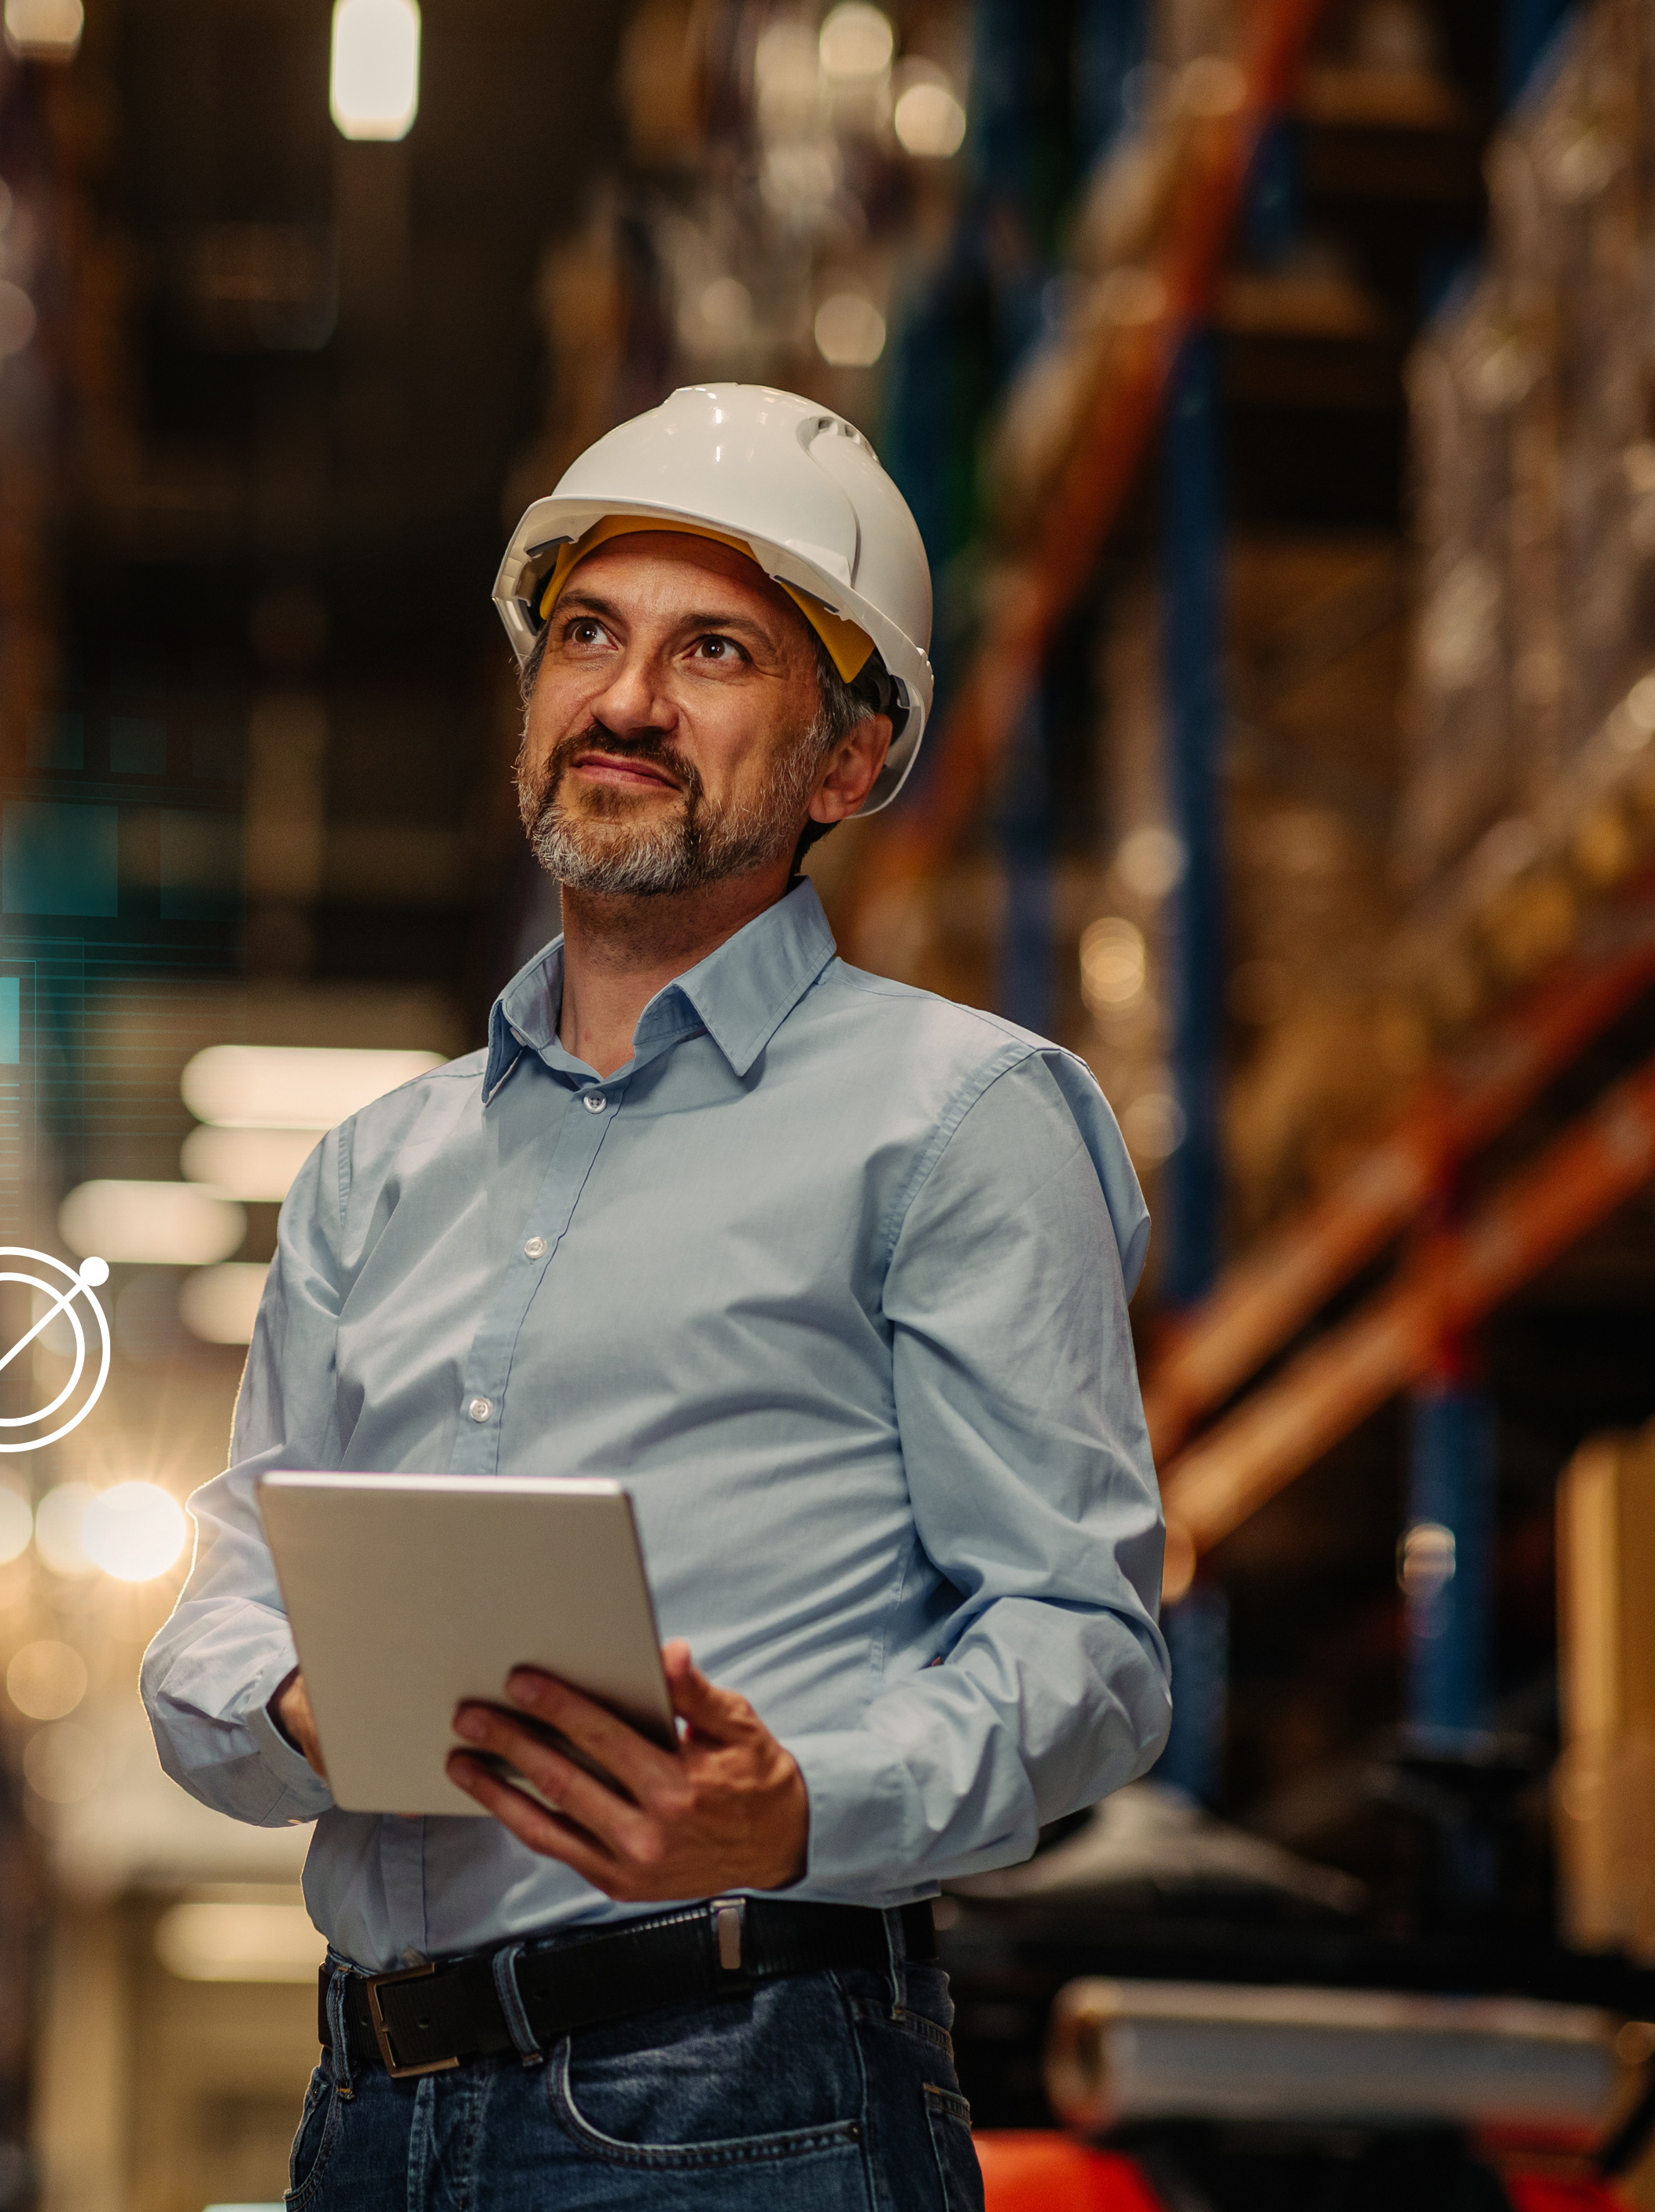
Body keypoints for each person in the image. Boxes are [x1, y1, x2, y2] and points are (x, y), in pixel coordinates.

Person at [140, 384, 1171, 2210]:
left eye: (713, 652)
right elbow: (223, 1602)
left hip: (737, 2099)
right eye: (586, 638)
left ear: (847, 762)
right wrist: (306, 1702)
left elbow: (1081, 1652)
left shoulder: (955, 1121)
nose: (623, 700)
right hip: (371, 2113)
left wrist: (796, 1808)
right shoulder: (376, 1171)